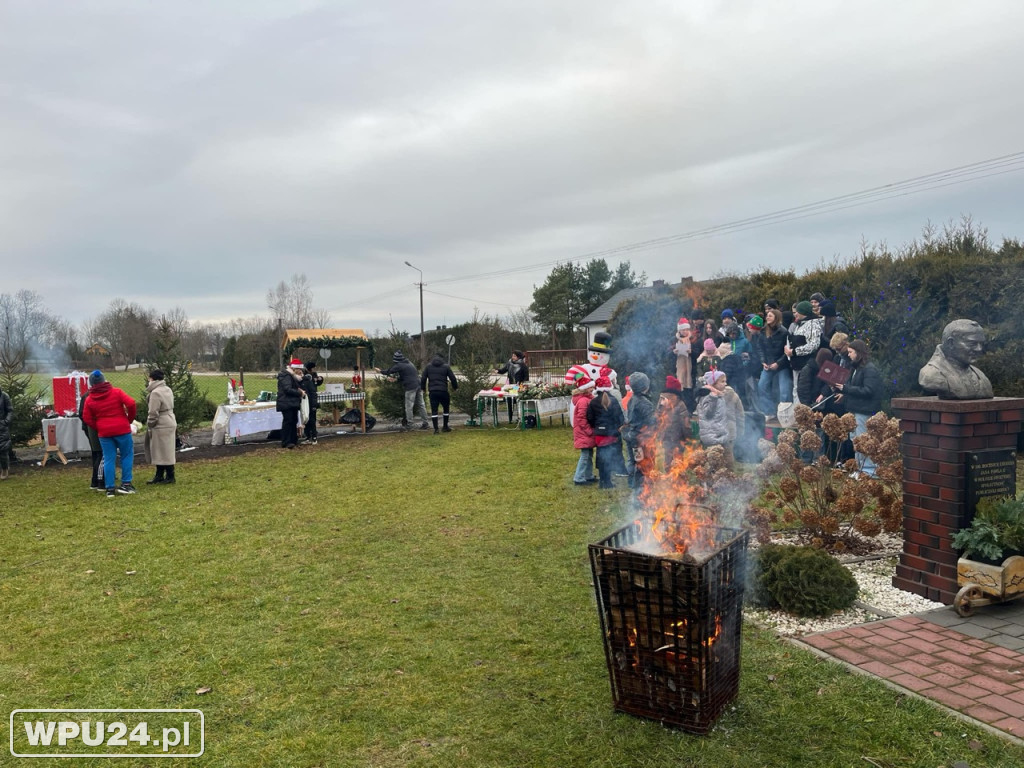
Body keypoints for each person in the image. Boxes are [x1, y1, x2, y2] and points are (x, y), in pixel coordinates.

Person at [81, 370, 138, 496]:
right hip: (122, 429)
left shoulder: (89, 399)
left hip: (104, 433)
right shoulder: (116, 392)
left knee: (108, 459)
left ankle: (109, 488)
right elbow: (131, 403)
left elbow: (86, 418)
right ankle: (126, 484)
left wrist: (98, 427)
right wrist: (128, 420)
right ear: (104, 380)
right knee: (127, 455)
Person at [833, 339, 883, 478]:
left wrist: (846, 388)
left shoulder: (869, 369)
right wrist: (844, 393)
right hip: (856, 409)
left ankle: (869, 470)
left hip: (864, 411)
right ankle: (860, 468)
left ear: (859, 353)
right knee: (856, 441)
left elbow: (868, 391)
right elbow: (856, 389)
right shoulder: (857, 368)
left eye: (851, 352)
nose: (848, 355)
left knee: (863, 441)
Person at [918, 319, 993, 400]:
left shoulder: (980, 375)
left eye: (981, 344)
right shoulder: (931, 373)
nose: (979, 349)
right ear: (951, 343)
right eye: (972, 343)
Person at [586, 376, 625, 489]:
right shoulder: (614, 401)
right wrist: (617, 428)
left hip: (599, 435)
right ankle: (607, 482)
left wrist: (596, 427)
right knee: (609, 457)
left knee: (601, 457)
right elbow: (620, 417)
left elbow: (589, 417)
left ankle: (602, 481)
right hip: (611, 434)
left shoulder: (593, 402)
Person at [377, 351, 429, 430]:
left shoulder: (399, 365)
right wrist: (396, 379)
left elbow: (389, 371)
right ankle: (426, 423)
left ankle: (410, 425)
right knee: (421, 405)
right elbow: (407, 376)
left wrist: (380, 371)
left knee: (409, 406)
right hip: (418, 385)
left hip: (410, 387)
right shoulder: (409, 363)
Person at [622, 372, 656, 490]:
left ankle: (633, 484)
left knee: (635, 461)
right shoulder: (644, 403)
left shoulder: (633, 399)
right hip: (642, 439)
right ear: (645, 386)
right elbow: (652, 422)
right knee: (644, 465)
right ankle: (641, 490)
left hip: (633, 436)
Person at [785, 300, 823, 403]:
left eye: (798, 311)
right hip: (796, 363)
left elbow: (814, 344)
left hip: (806, 364)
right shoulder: (799, 324)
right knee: (796, 389)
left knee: (802, 389)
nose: (795, 314)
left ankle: (802, 414)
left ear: (804, 312)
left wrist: (794, 352)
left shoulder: (813, 324)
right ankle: (796, 413)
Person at [144, 369, 177, 484]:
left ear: (152, 379)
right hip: (170, 420)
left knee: (160, 451)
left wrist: (150, 423)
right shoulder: (167, 389)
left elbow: (153, 412)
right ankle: (163, 475)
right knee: (166, 450)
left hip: (161, 423)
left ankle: (168, 476)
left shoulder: (155, 393)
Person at [758, 307, 791, 420]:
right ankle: (769, 411)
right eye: (767, 315)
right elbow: (760, 348)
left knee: (784, 390)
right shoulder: (763, 331)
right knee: (761, 386)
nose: (767, 317)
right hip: (768, 363)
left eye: (770, 315)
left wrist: (778, 363)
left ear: (776, 318)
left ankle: (785, 414)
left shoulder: (784, 332)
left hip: (782, 365)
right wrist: (763, 361)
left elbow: (786, 351)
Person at [695, 370, 733, 466]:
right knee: (713, 464)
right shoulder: (708, 396)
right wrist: (713, 398)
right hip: (712, 437)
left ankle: (727, 479)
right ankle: (708, 479)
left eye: (725, 381)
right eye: (722, 381)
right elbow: (708, 414)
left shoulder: (719, 395)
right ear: (714, 383)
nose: (725, 384)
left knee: (728, 462)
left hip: (721, 435)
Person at [421, 351, 459, 433]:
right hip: (443, 391)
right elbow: (453, 378)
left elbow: (423, 378)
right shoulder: (446, 367)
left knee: (434, 410)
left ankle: (436, 429)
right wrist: (455, 387)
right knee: (446, 408)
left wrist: (423, 388)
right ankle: (445, 426)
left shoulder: (428, 367)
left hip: (433, 391)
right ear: (442, 359)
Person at [658, 375, 692, 467]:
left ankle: (669, 475)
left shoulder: (661, 403)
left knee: (668, 458)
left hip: (666, 438)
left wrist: (659, 435)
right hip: (678, 438)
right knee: (678, 460)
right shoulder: (681, 405)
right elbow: (685, 424)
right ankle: (678, 479)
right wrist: (688, 436)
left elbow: (658, 419)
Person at [570, 373, 596, 485]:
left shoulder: (587, 399)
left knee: (589, 454)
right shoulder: (583, 401)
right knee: (585, 455)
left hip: (585, 432)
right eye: (590, 387)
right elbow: (581, 418)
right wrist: (589, 431)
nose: (593, 389)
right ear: (585, 389)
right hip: (584, 432)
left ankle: (588, 475)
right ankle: (579, 477)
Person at [78, 384, 104, 490]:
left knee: (96, 453)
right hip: (94, 428)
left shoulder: (86, 396)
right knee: (100, 454)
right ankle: (99, 480)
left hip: (89, 428)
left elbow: (81, 414)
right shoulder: (90, 396)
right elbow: (83, 414)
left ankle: (96, 480)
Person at [276, 360, 306, 448]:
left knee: (294, 421)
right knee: (288, 421)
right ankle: (286, 441)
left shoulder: (293, 377)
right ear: (294, 368)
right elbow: (287, 389)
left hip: (292, 402)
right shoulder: (285, 375)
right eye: (299, 369)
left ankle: (293, 440)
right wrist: (299, 393)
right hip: (286, 402)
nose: (300, 371)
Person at [496, 350, 529, 424]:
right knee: (509, 400)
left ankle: (520, 418)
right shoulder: (509, 363)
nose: (512, 357)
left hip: (518, 387)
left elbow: (526, 378)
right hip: (510, 386)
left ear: (518, 357)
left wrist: (521, 386)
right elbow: (503, 370)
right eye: (512, 355)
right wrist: (497, 371)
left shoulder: (523, 365)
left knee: (517, 401)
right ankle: (510, 419)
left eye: (514, 356)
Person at [301, 361, 324, 444]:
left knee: (312, 419)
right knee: (306, 418)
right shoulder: (304, 375)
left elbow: (317, 383)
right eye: (313, 368)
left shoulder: (314, 374)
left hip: (312, 399)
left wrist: (320, 379)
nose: (315, 369)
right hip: (306, 399)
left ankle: (314, 437)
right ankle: (308, 436)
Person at [0, 382, 12, 481]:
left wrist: (6, 421)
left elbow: (10, 410)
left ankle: (5, 469)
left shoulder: (4, 396)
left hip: (1, 426)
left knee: (2, 449)